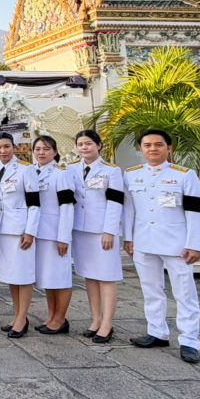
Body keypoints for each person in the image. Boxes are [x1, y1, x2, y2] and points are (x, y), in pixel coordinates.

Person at [123, 129, 200, 364]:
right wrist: (127, 238)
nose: (152, 149)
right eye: (147, 145)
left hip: (176, 243)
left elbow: (195, 212)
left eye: (158, 144)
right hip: (143, 241)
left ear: (169, 148)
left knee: (185, 293)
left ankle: (189, 341)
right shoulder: (131, 175)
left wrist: (194, 244)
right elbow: (129, 209)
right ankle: (157, 331)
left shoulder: (184, 175)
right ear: (141, 149)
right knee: (151, 290)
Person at [69, 129, 124, 344]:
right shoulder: (71, 169)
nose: (84, 147)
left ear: (99, 146)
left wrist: (110, 230)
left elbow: (115, 202)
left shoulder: (112, 171)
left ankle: (107, 323)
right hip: (81, 230)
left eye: (89, 143)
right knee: (90, 276)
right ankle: (95, 319)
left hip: (102, 231)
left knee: (106, 277)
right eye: (81, 144)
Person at [0, 132, 40, 338]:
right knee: (10, 275)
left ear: (14, 147)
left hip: (19, 230)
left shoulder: (27, 170)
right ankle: (17, 315)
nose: (3, 151)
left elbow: (34, 204)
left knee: (23, 275)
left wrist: (30, 231)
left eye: (7, 146)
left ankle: (22, 318)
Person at [31, 136, 75, 335]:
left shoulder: (61, 174)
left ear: (55, 152)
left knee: (61, 277)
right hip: (40, 232)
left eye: (46, 149)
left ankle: (60, 319)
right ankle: (51, 316)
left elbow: (67, 207)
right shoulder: (33, 172)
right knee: (48, 278)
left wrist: (63, 237)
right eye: (38, 149)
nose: (41, 152)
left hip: (56, 233)